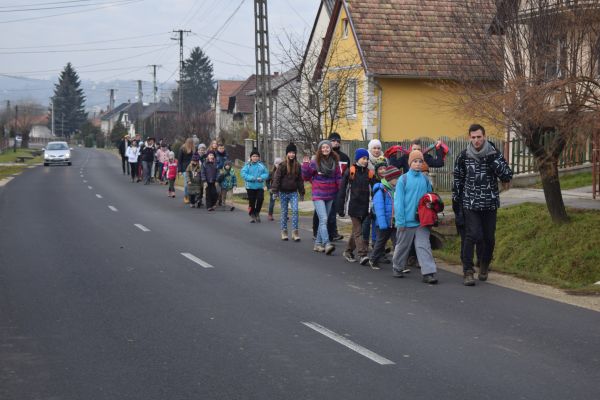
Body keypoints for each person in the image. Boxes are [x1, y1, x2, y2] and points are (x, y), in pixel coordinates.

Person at [453, 124, 513, 286]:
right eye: (473, 137)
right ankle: (467, 270)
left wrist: (494, 161)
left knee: (489, 238)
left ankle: (484, 264)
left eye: (479, 137)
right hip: (470, 202)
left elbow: (507, 175)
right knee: (471, 235)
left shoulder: (493, 154)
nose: (476, 140)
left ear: (484, 137)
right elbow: (458, 180)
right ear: (469, 138)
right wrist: (456, 204)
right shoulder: (463, 156)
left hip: (489, 202)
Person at [392, 150, 439, 284]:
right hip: (406, 220)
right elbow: (398, 201)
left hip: (422, 220)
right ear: (410, 163)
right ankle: (397, 267)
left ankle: (428, 272)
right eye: (415, 161)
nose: (418, 164)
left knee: (423, 245)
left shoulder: (425, 179)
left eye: (420, 161)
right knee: (402, 246)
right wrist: (400, 220)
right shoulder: (403, 179)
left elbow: (430, 196)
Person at [302, 140, 341, 255]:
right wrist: (305, 166)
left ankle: (318, 244)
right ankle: (327, 243)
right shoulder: (315, 162)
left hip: (330, 194)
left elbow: (338, 177)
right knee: (323, 219)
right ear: (320, 149)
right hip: (318, 194)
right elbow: (306, 176)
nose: (325, 149)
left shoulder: (334, 161)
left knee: (324, 220)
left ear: (330, 148)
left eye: (327, 147)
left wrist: (341, 189)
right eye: (323, 147)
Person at [337, 148, 374, 265]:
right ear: (357, 158)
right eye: (363, 158)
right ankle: (363, 254)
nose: (365, 160)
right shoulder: (350, 172)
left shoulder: (369, 173)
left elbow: (373, 191)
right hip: (353, 206)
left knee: (355, 232)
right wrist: (341, 207)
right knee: (359, 231)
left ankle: (348, 251)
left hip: (365, 207)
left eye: (367, 159)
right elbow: (343, 191)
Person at [312, 132, 349, 242]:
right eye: (333, 141)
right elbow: (310, 174)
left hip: (337, 186)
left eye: (338, 141)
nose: (336, 143)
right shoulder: (319, 157)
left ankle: (332, 232)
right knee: (321, 213)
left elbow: (344, 173)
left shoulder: (344, 157)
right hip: (321, 189)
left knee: (333, 211)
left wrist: (343, 185)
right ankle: (318, 234)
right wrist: (316, 184)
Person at [369, 165, 402, 270]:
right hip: (383, 222)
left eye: (398, 178)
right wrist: (382, 223)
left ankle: (400, 264)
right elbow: (379, 208)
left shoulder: (397, 189)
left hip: (394, 221)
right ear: (390, 178)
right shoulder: (380, 190)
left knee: (397, 243)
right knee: (380, 242)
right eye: (396, 178)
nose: (398, 180)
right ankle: (373, 259)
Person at [272, 143, 305, 242]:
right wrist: (275, 191)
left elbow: (300, 180)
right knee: (284, 212)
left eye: (293, 153)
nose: (291, 155)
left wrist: (302, 192)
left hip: (293, 192)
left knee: (295, 211)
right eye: (290, 153)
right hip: (283, 192)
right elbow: (277, 178)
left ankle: (295, 232)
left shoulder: (298, 165)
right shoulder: (282, 165)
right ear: (287, 154)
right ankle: (284, 231)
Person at [241, 149, 269, 222]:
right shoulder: (247, 165)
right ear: (251, 157)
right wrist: (251, 178)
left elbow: (266, 173)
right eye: (253, 156)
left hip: (259, 186)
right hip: (250, 187)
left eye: (257, 156)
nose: (255, 157)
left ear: (259, 157)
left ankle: (257, 212)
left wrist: (262, 177)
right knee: (252, 201)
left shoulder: (261, 166)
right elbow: (243, 174)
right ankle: (252, 214)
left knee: (260, 199)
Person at [178, 138, 195, 204]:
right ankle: (186, 196)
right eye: (189, 143)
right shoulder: (182, 149)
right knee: (186, 184)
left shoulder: (193, 149)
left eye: (191, 143)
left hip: (192, 168)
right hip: (184, 168)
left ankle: (191, 197)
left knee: (192, 183)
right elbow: (179, 160)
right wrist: (179, 170)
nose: (190, 144)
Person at [266, 157, 283, 221]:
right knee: (272, 202)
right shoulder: (271, 172)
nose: (278, 165)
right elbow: (267, 181)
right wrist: (269, 188)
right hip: (273, 190)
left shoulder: (284, 172)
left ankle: (284, 215)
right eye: (276, 163)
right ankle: (270, 215)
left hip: (282, 189)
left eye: (279, 163)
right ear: (274, 164)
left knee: (283, 202)